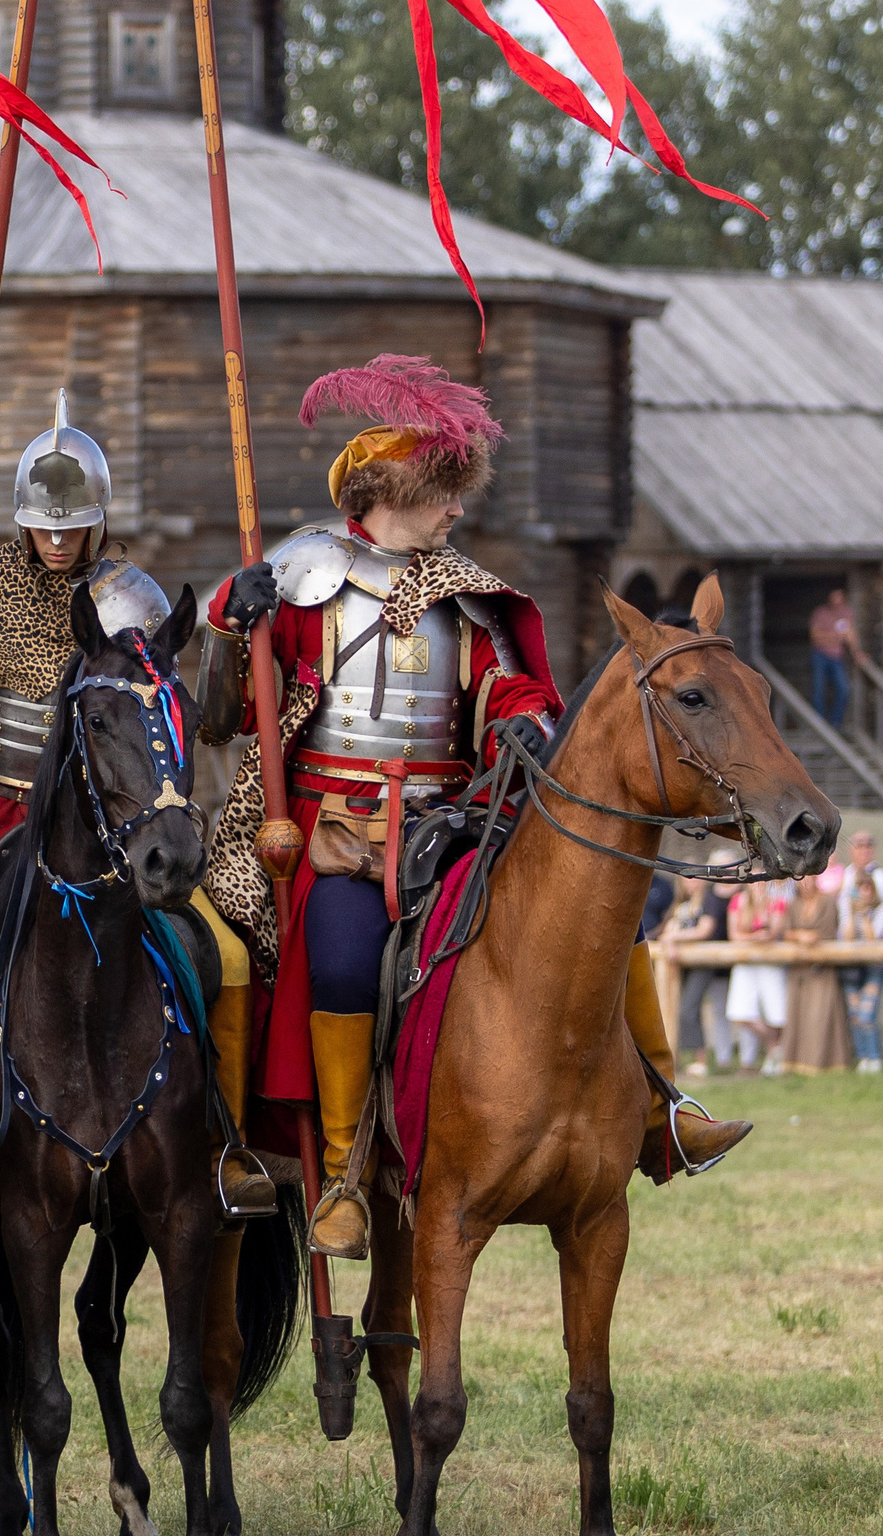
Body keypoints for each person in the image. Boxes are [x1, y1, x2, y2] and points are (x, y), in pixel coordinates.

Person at [182, 356, 739, 1257]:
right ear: (402, 486)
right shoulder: (298, 579)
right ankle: (346, 1175)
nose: (457, 512)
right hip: (338, 835)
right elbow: (221, 716)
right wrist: (225, 627)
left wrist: (525, 727)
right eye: (447, 492)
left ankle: (663, 1114)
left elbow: (506, 689)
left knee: (599, 912)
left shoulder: (467, 595)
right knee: (343, 959)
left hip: (453, 826)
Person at [0, 393, 264, 1248]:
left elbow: (206, 719)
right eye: (43, 525)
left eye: (70, 525)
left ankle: (223, 1141)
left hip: (113, 826)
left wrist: (227, 630)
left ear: (96, 520)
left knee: (220, 955)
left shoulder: (135, 598)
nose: (55, 539)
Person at [780, 874, 851, 1072]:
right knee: (798, 1016)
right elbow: (786, 931)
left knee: (821, 1016)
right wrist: (799, 935)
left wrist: (810, 938)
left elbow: (827, 932)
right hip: (799, 970)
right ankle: (796, 1063)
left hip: (822, 969)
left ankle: (826, 1062)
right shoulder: (793, 904)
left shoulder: (827, 902)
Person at [663, 877, 732, 1075]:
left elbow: (705, 930)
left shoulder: (708, 900)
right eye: (686, 880)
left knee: (689, 1008)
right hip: (682, 964)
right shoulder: (680, 903)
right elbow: (669, 927)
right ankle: (685, 1058)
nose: (690, 884)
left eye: (693, 880)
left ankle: (700, 1059)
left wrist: (673, 938)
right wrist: (669, 941)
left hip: (702, 962)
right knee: (683, 1009)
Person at [725, 880, 790, 1072]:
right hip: (745, 962)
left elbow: (773, 932)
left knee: (776, 1013)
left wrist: (755, 936)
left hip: (770, 962)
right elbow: (734, 935)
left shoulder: (775, 902)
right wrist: (755, 938)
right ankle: (775, 1044)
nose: (758, 886)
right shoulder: (739, 901)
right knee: (739, 1012)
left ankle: (774, 1055)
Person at [839, 870, 883, 1070]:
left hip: (873, 966)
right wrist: (853, 913)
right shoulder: (846, 909)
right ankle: (863, 1057)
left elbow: (873, 937)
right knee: (855, 1014)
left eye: (867, 888)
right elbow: (848, 936)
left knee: (867, 1013)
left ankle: (875, 1057)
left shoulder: (882, 909)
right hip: (852, 967)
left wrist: (863, 914)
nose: (864, 892)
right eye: (860, 888)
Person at [807, 587, 863, 728]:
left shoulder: (846, 613)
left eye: (838, 597)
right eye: (833, 597)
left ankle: (835, 724)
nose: (836, 601)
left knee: (844, 689)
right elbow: (815, 637)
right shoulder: (820, 613)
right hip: (820, 655)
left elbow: (850, 636)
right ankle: (818, 725)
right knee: (818, 690)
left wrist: (857, 653)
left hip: (836, 658)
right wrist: (836, 637)